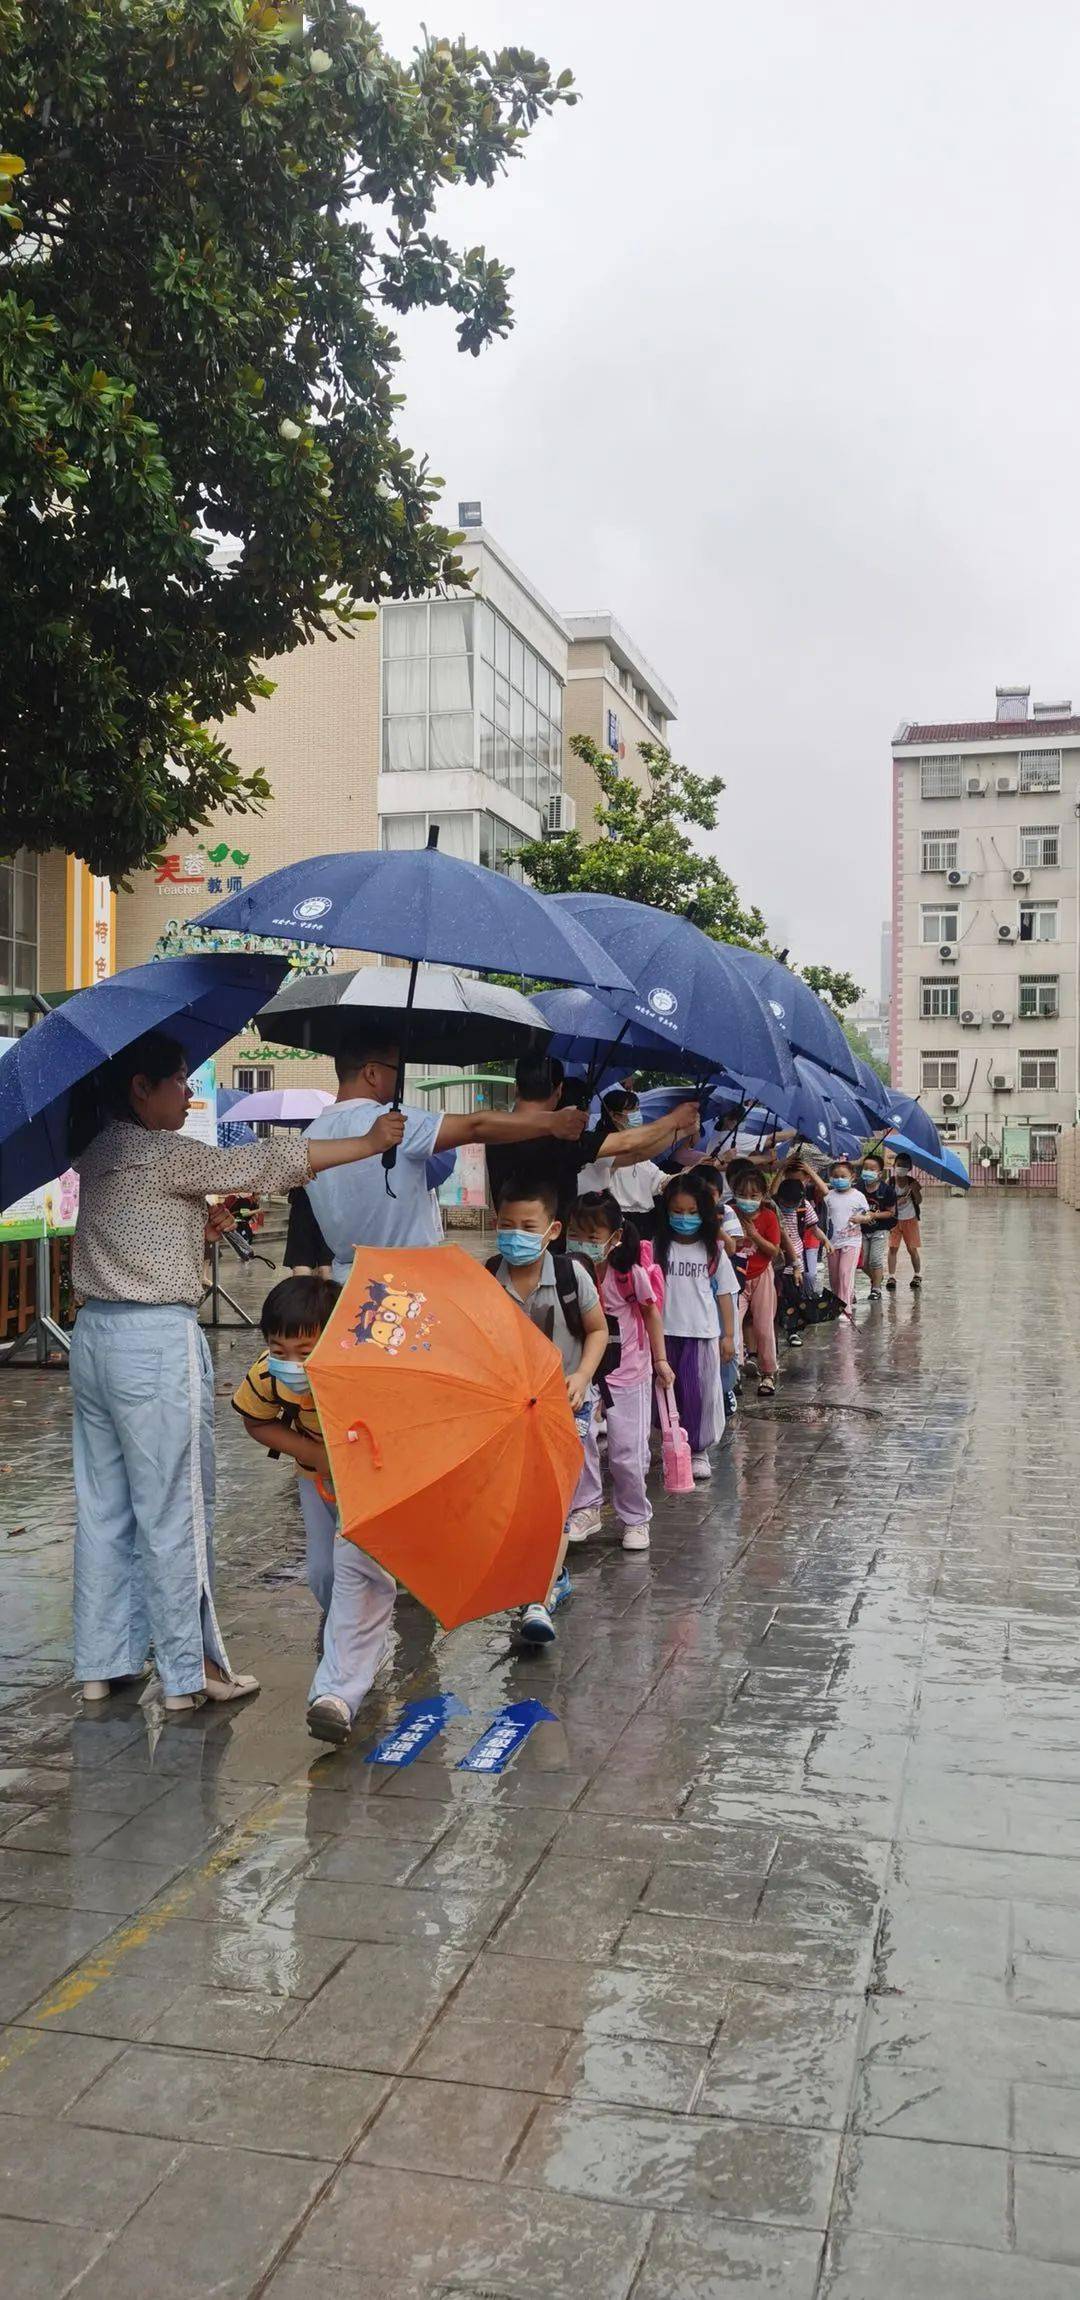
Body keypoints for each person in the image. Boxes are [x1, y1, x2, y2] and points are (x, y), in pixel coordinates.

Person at [68, 1031, 405, 1712]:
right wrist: (369, 1142)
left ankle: (102, 1664)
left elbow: (144, 1226)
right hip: (153, 1344)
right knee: (176, 1510)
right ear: (141, 1087)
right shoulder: (159, 1152)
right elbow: (269, 1159)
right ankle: (192, 1674)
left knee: (104, 1508)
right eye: (180, 1081)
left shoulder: (98, 1150)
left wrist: (196, 1225)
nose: (188, 1094)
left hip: (95, 1339)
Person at [233, 1274, 396, 1746]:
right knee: (323, 1575)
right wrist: (320, 1458)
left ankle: (337, 1693)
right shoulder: (268, 1376)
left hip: (369, 1485)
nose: (290, 1363)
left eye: (305, 1352)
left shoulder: (365, 1373)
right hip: (316, 1480)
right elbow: (254, 1421)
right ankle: (360, 1641)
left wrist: (351, 1466)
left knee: (358, 1571)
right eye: (278, 1349)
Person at [305, 1039, 590, 1272]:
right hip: (407, 1280)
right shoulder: (393, 1122)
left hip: (346, 1281)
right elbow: (475, 1126)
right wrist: (551, 1123)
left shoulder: (309, 1137)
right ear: (371, 1073)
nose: (400, 1078)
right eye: (397, 1069)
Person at [487, 1176, 609, 1642]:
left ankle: (536, 1599)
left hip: (566, 1404)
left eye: (527, 1226)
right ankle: (553, 1576)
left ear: (552, 1230)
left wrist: (582, 1377)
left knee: (555, 1499)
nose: (515, 1234)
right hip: (509, 1409)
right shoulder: (487, 1279)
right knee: (521, 1502)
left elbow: (597, 1331)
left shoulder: (571, 1276)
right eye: (506, 1225)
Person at [565, 1190, 674, 1552]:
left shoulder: (628, 1274)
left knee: (627, 1453)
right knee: (581, 1444)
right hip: (587, 1373)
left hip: (628, 1372)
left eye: (592, 1236)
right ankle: (587, 1507)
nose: (583, 1242)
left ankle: (635, 1519)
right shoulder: (571, 1273)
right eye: (576, 1233)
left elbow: (651, 1313)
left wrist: (660, 1361)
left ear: (614, 1236)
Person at [485, 1057, 700, 1233]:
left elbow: (632, 1151)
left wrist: (679, 1130)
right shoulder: (561, 1139)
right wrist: (673, 1121)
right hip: (552, 1247)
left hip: (508, 1240)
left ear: (516, 1088)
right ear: (559, 1090)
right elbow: (628, 1145)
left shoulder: (493, 1132)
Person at [654, 1170, 737, 1477]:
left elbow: (726, 1293)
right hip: (663, 1333)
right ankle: (672, 1446)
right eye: (677, 1212)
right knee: (664, 1395)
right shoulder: (657, 1247)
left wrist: (728, 1336)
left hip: (701, 1333)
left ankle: (698, 1450)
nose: (685, 1218)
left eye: (692, 1212)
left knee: (697, 1394)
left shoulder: (712, 1251)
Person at [574, 1088, 676, 1237]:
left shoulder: (641, 1154)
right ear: (614, 1115)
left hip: (644, 1221)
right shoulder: (600, 1146)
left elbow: (661, 1181)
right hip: (612, 1217)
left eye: (638, 1109)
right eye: (632, 1110)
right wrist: (676, 1128)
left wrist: (694, 1169)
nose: (637, 1114)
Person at [730, 1167, 783, 1397]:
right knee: (732, 1327)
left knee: (764, 1327)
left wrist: (754, 1235)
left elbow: (773, 1250)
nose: (748, 1200)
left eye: (754, 1196)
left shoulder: (769, 1217)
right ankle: (733, 1374)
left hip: (761, 1275)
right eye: (743, 1195)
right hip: (733, 1277)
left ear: (762, 1196)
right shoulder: (728, 1213)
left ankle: (768, 1373)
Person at [822, 1158, 871, 1317]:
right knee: (835, 1278)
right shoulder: (828, 1197)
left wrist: (861, 1219)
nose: (839, 1179)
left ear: (852, 1177)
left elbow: (867, 1215)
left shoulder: (859, 1196)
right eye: (835, 1176)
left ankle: (845, 1309)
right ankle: (840, 1301)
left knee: (845, 1274)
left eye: (843, 1176)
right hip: (832, 1242)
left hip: (852, 1241)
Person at [856, 1152, 897, 1302]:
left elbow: (891, 1213)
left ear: (880, 1173)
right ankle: (877, 1279)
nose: (867, 1171)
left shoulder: (887, 1191)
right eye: (865, 1168)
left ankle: (876, 1289)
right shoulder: (858, 1188)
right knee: (862, 1263)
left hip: (880, 1230)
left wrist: (874, 1215)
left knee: (875, 1260)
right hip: (862, 1230)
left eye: (872, 1169)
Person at [886, 1152, 924, 1289]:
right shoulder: (889, 1182)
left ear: (910, 1168)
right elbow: (885, 1202)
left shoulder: (913, 1183)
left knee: (912, 1248)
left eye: (905, 1166)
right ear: (894, 1165)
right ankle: (891, 1277)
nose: (901, 1168)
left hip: (910, 1219)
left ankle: (917, 1275)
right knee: (892, 1248)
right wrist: (897, 1202)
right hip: (894, 1220)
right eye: (899, 1165)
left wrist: (915, 1191)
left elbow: (919, 1201)